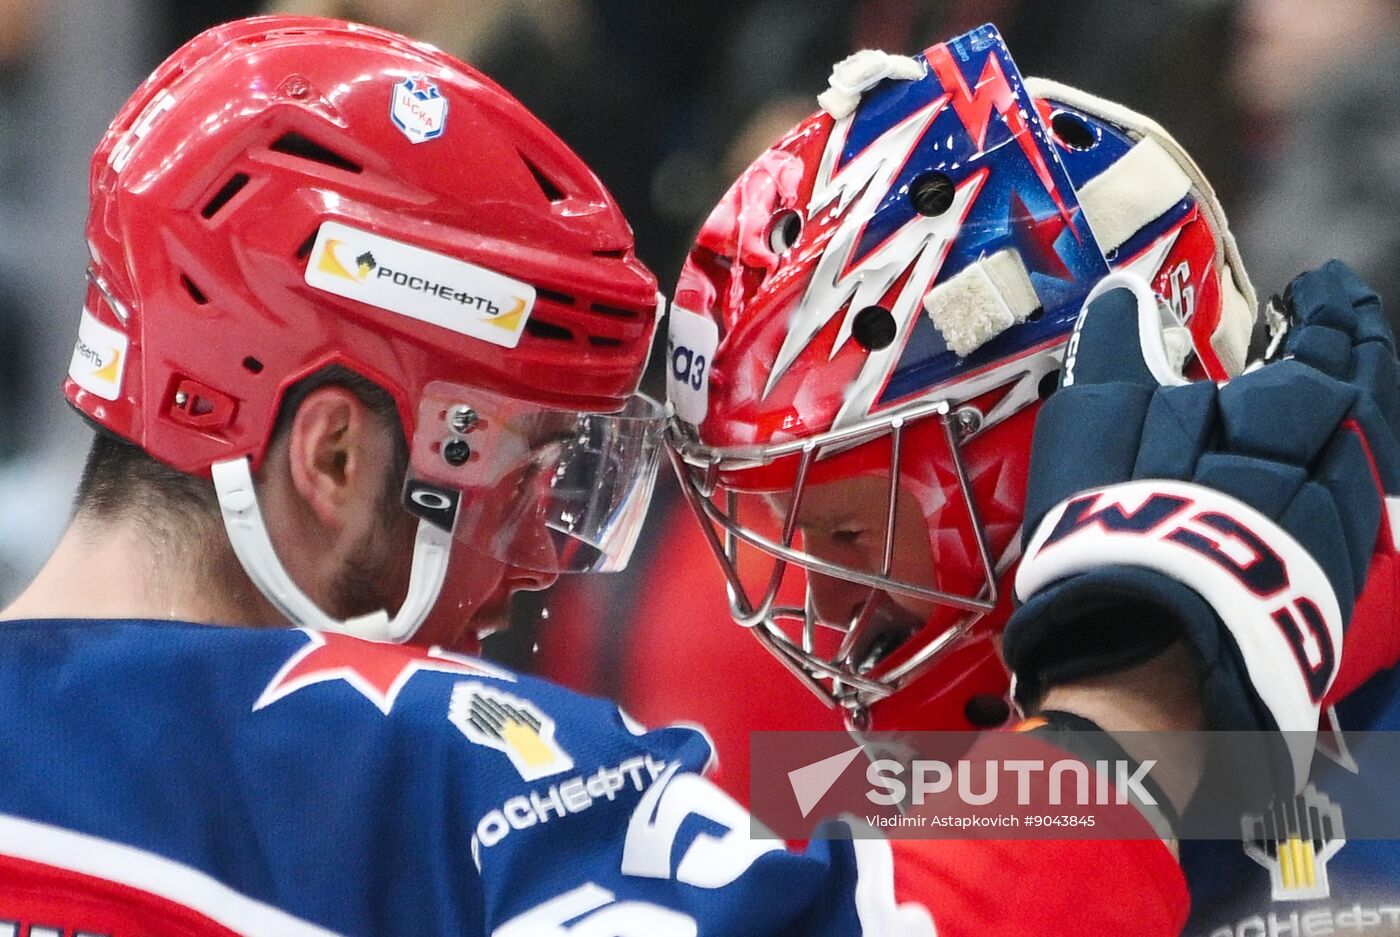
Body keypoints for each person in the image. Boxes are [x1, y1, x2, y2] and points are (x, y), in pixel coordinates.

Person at [0, 14, 1390, 937]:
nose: (531, 562)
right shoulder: (387, 765)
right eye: (522, 474)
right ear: (336, 452)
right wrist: (1131, 695)